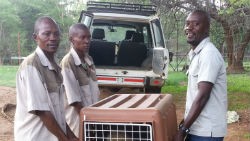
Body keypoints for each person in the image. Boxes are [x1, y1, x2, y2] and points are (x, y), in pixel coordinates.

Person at [14, 16, 78, 141]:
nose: (53, 38)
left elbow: (57, 111)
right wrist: (64, 139)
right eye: (46, 34)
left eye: (56, 34)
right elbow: (42, 112)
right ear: (35, 37)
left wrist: (71, 136)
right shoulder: (31, 66)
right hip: (34, 137)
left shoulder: (54, 64)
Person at [175, 10, 227, 141]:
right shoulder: (197, 54)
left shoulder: (208, 54)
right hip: (196, 127)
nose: (189, 28)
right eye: (187, 24)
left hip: (206, 131)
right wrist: (185, 124)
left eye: (196, 24)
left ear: (206, 29)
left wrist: (182, 130)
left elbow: (203, 95)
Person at [61, 23, 100, 137]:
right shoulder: (68, 62)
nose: (87, 41)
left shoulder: (89, 59)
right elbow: (73, 100)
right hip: (78, 119)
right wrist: (88, 120)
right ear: (72, 39)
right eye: (82, 37)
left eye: (88, 37)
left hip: (91, 117)